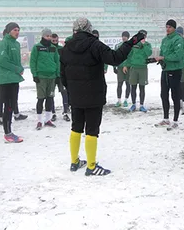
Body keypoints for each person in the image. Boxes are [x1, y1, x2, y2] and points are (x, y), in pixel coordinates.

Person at [60, 17, 144, 176]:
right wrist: (132, 41)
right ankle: (91, 166)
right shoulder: (94, 44)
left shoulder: (66, 48)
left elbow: (62, 75)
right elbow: (116, 58)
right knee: (92, 130)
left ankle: (74, 161)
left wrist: (71, 88)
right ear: (89, 29)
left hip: (75, 95)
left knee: (76, 128)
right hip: (93, 95)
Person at [0, 23, 25, 143]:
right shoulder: (2, 44)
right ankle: (8, 133)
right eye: (14, 30)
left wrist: (20, 68)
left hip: (13, 78)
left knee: (11, 105)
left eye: (18, 30)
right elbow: (1, 61)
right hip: (6, 79)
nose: (17, 32)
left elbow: (15, 60)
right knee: (8, 106)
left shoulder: (16, 44)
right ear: (8, 31)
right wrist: (18, 69)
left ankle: (8, 131)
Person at [154, 19, 184, 130]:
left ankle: (175, 120)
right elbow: (162, 53)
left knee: (175, 95)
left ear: (174, 28)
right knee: (163, 94)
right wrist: (160, 60)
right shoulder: (164, 40)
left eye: (170, 27)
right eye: (166, 26)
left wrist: (164, 58)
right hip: (165, 71)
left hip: (175, 71)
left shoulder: (178, 40)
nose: (167, 29)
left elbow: (178, 56)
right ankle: (166, 118)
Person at [30, 28, 60, 130]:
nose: (49, 37)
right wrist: (35, 74)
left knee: (50, 98)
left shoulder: (53, 48)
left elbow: (57, 61)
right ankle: (39, 120)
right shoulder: (37, 47)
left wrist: (58, 75)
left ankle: (48, 119)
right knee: (40, 98)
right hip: (41, 77)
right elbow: (33, 61)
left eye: (50, 36)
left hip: (52, 77)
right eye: (47, 36)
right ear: (43, 36)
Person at [127, 30, 152, 112]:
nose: (142, 37)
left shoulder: (147, 45)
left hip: (143, 68)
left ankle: (141, 105)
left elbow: (148, 53)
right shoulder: (133, 45)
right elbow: (129, 55)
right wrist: (126, 65)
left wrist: (144, 44)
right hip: (133, 68)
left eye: (144, 36)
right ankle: (133, 104)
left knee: (142, 87)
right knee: (133, 87)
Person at [51, 33, 70, 122]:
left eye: (56, 40)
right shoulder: (49, 49)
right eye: (53, 41)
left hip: (61, 75)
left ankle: (65, 112)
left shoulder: (61, 49)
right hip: (51, 75)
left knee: (64, 93)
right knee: (51, 94)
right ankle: (53, 113)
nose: (55, 42)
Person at [114, 31, 131, 108]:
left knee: (128, 84)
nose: (124, 37)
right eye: (123, 36)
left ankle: (126, 100)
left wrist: (126, 65)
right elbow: (114, 56)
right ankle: (119, 100)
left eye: (126, 36)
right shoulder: (118, 46)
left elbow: (130, 57)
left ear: (128, 37)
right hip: (120, 67)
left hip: (128, 68)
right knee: (119, 84)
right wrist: (114, 67)